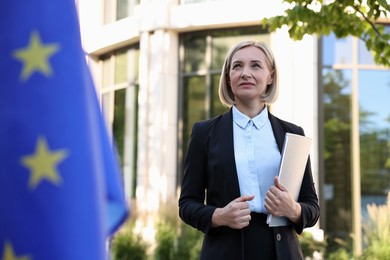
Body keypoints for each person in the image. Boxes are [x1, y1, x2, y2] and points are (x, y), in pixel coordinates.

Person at [178, 40, 320, 260]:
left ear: (270, 76)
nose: (245, 73)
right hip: (225, 251)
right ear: (228, 77)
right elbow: (187, 204)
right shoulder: (204, 133)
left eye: (255, 65)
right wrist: (219, 215)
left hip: (282, 252)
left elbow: (312, 206)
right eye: (237, 66)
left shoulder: (292, 134)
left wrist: (293, 209)